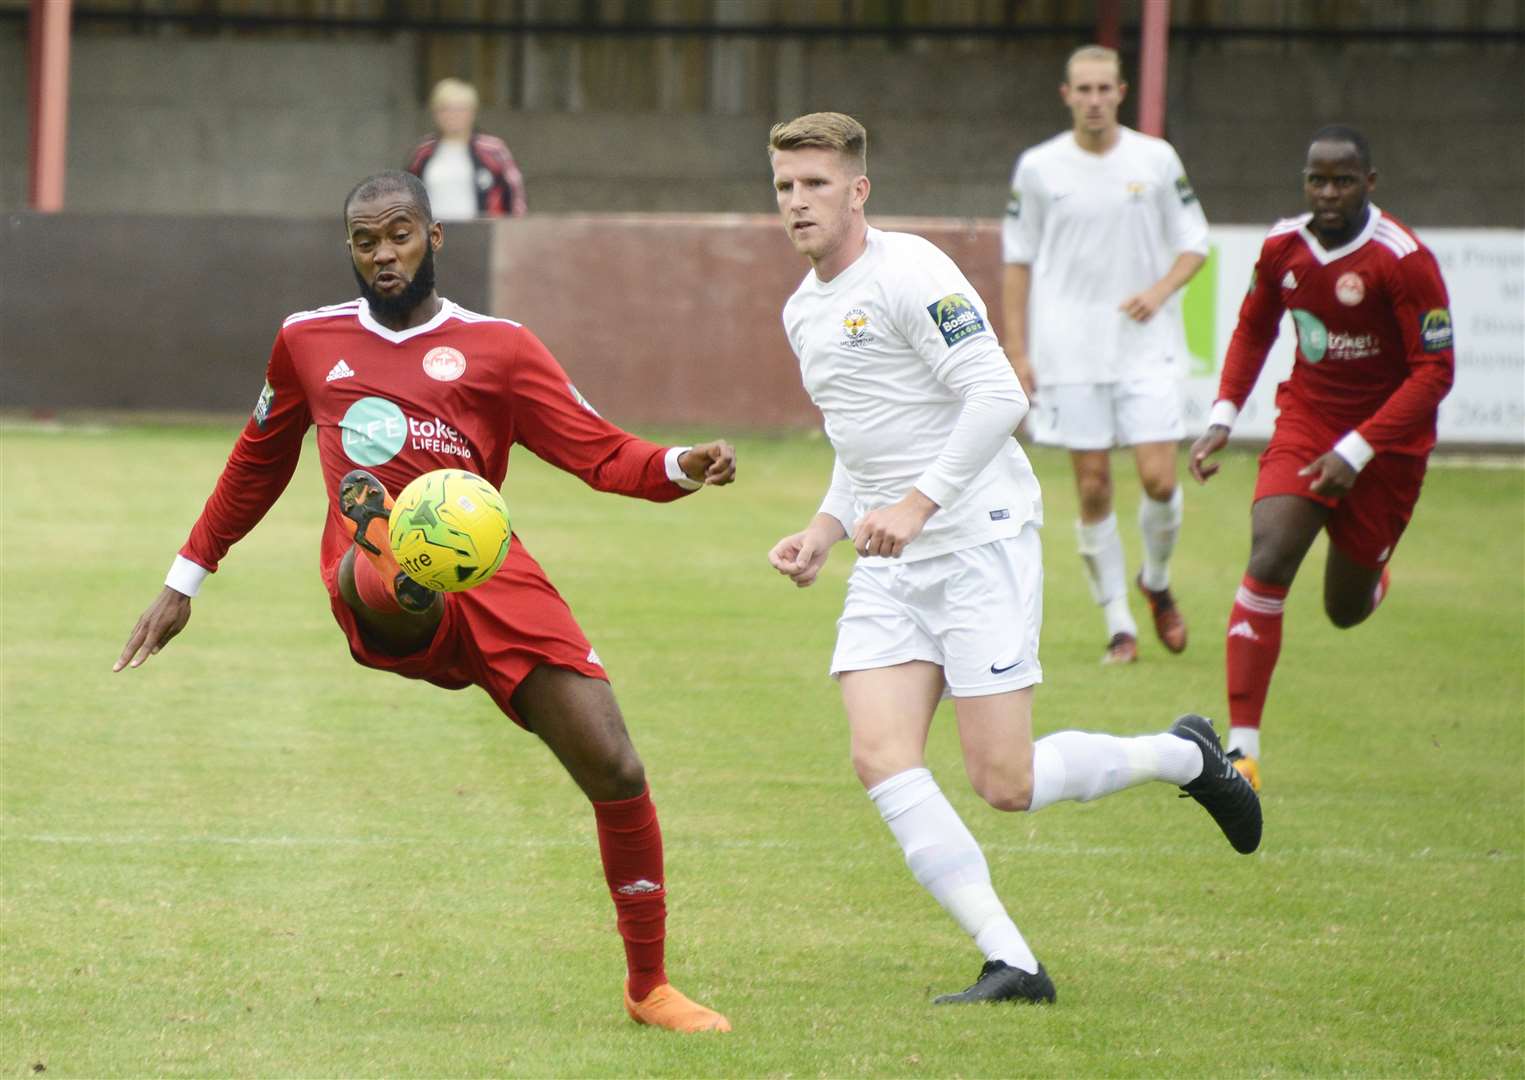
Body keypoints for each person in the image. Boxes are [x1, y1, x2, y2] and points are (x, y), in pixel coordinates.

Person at [114, 170, 734, 1034]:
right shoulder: (305, 340)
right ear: (351, 250)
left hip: (493, 575)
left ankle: (649, 988)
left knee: (616, 769)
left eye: (398, 234)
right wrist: (187, 579)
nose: (382, 254)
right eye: (365, 241)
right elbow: (257, 460)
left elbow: (600, 453)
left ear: (434, 238)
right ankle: (398, 582)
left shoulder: (502, 348)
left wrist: (679, 466)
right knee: (380, 564)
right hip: (374, 565)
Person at [765, 111, 1260, 1005]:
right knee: (880, 754)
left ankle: (1184, 757)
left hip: (977, 536)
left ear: (858, 189)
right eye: (785, 187)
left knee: (1006, 781)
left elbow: (996, 394)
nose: (797, 203)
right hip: (892, 560)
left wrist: (918, 505)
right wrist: (825, 530)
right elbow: (865, 443)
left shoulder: (911, 273)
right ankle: (1014, 962)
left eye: (815, 185)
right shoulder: (802, 310)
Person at [1189, 126, 1455, 792]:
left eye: (1341, 180)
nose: (1327, 193)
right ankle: (1241, 751)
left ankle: (1369, 579)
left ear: (1370, 182)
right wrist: (1222, 414)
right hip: (1307, 421)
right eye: (1316, 180)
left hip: (1387, 444)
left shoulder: (1403, 259)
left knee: (1344, 609)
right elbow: (1254, 327)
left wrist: (1360, 448)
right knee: (1270, 552)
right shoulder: (1283, 247)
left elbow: (1433, 372)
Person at [1002, 45, 1209, 665]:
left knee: (1158, 477)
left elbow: (1194, 243)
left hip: (1144, 347)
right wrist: (1017, 350)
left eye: (1103, 89)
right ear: (1066, 95)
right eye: (1082, 90)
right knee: (1093, 487)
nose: (1093, 99)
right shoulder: (1039, 168)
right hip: (1068, 351)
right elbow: (1018, 260)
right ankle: (1120, 624)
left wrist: (1158, 292)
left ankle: (1158, 579)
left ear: (1121, 92)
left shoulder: (1156, 158)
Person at [406, 78, 527, 221]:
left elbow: (515, 196)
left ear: (472, 112)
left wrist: (515, 230)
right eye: (445, 109)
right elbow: (407, 196)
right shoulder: (423, 151)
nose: (453, 115)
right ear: (435, 112)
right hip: (434, 234)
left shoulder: (493, 150)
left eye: (460, 109)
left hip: (483, 235)